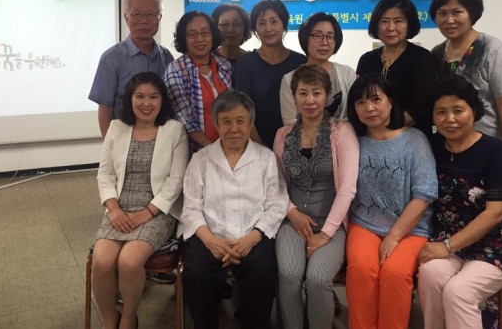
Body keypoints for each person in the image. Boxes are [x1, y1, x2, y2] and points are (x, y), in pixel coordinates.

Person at [417, 74, 502, 329]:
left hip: (497, 243)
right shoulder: (432, 146)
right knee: (429, 274)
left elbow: (496, 214)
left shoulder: (496, 151)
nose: (450, 119)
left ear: (474, 111)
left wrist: (447, 246)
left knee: (458, 291)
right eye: (441, 112)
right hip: (449, 239)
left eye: (458, 110)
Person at [181, 90, 289, 329]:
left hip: (253, 233)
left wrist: (252, 238)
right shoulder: (201, 159)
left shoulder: (266, 158)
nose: (234, 129)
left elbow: (277, 203)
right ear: (216, 124)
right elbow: (190, 208)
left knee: (262, 272)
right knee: (198, 273)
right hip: (210, 234)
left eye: (240, 121)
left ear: (250, 123)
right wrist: (211, 241)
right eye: (226, 122)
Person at [91, 72, 189, 329]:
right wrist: (113, 209)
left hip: (157, 211)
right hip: (119, 209)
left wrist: (146, 213)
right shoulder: (116, 128)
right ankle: (109, 320)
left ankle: (128, 318)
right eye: (140, 97)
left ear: (162, 100)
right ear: (130, 99)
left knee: (129, 261)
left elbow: (176, 181)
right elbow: (105, 174)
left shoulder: (174, 130)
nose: (147, 103)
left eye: (153, 97)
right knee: (101, 262)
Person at [345, 73, 438, 329]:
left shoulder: (414, 140)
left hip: (410, 229)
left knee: (395, 273)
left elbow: (424, 195)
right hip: (364, 224)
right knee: (361, 270)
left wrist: (394, 236)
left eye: (376, 99)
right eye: (361, 102)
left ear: (390, 102)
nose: (369, 108)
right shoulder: (353, 142)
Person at [273, 65, 359, 329]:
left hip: (331, 223)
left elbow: (348, 188)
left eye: (317, 92)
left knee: (318, 279)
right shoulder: (283, 135)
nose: (310, 100)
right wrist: (292, 213)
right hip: (293, 220)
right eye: (303, 93)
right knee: (289, 276)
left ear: (328, 95)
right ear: (294, 97)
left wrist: (327, 232)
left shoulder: (342, 132)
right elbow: (276, 184)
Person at [429, 0, 502, 179]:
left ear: (472, 13)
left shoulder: (493, 50)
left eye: (457, 12)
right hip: (448, 149)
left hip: (486, 149)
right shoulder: (436, 54)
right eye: (442, 13)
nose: (449, 20)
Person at [89, 0, 174, 138]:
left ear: (159, 18)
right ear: (126, 18)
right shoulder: (111, 58)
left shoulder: (166, 57)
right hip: (124, 139)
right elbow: (105, 108)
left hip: (162, 138)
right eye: (137, 14)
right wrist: (110, 144)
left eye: (151, 14)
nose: (144, 20)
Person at [357, 0, 438, 136]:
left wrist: (389, 129)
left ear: (409, 25)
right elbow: (360, 98)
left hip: (413, 136)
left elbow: (423, 103)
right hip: (373, 136)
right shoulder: (366, 60)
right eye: (384, 21)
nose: (391, 28)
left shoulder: (422, 58)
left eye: (398, 21)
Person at [233, 0, 306, 148]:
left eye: (274, 21)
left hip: (298, 145)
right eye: (262, 23)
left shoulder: (301, 62)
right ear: (255, 28)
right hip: (256, 146)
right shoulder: (245, 64)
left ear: (283, 24)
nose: (268, 28)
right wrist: (262, 149)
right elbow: (242, 110)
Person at [163, 11, 232, 155]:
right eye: (192, 34)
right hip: (194, 153)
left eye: (205, 32)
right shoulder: (176, 70)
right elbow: (184, 119)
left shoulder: (224, 65)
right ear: (183, 38)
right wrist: (213, 150)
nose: (200, 39)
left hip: (229, 148)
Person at [279, 12, 356, 125]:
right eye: (317, 36)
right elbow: (290, 121)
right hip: (303, 136)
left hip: (343, 135)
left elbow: (354, 114)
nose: (324, 43)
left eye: (330, 36)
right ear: (305, 38)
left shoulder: (347, 73)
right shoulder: (289, 79)